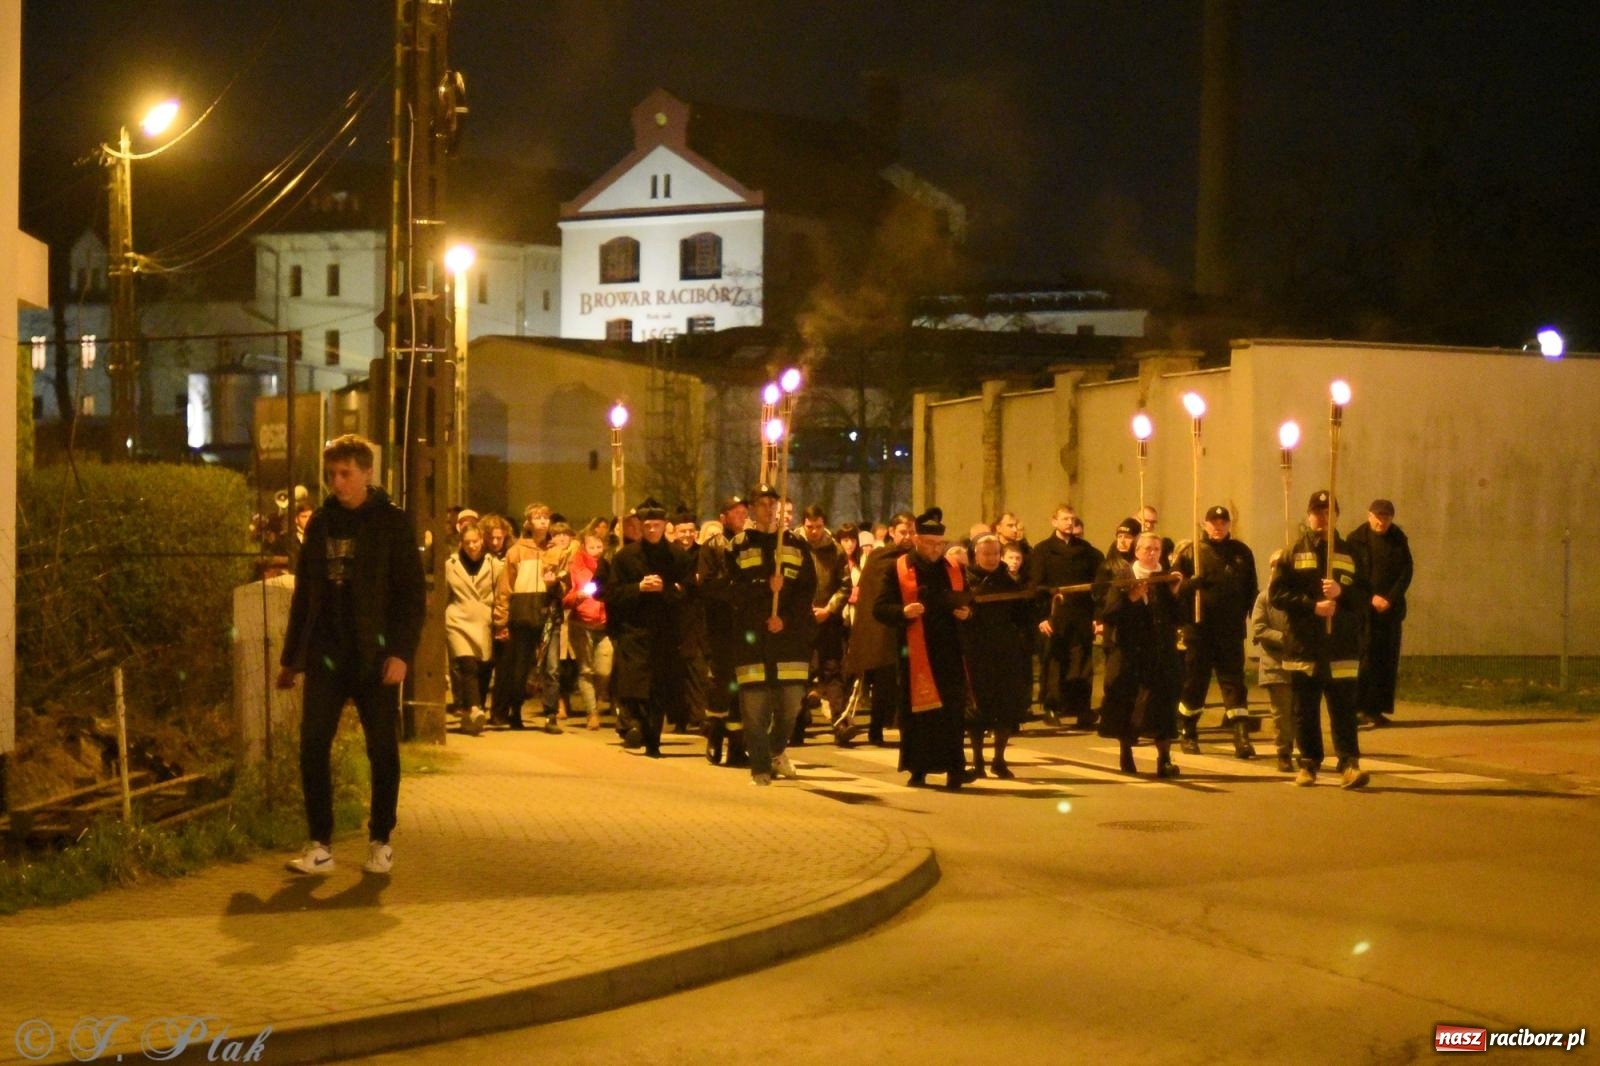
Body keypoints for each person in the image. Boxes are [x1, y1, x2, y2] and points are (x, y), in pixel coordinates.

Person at [277, 434, 424, 876]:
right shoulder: (320, 524)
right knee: (313, 745)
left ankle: (381, 838)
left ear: (367, 473)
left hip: (373, 658)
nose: (337, 483)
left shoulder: (391, 524)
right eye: (331, 475)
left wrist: (400, 652)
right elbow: (306, 595)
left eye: (345, 474)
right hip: (327, 656)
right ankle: (320, 843)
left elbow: (411, 596)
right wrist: (292, 658)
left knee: (382, 749)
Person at [1269, 490, 1371, 789]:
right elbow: (1277, 595)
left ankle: (1349, 763)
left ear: (1336, 516)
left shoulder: (1351, 553)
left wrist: (1343, 593)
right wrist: (1311, 606)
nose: (1323, 518)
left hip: (1341, 645)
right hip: (1305, 645)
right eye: (1317, 512)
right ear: (1308, 515)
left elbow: (1364, 596)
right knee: (1305, 710)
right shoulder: (1293, 552)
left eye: (1329, 513)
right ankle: (1309, 764)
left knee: (1343, 710)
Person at [875, 507, 972, 789]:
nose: (935, 550)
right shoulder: (900, 567)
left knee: (952, 713)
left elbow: (968, 600)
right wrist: (903, 611)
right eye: (930, 544)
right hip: (914, 651)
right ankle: (918, 769)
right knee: (919, 715)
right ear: (917, 541)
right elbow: (880, 608)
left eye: (940, 545)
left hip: (949, 652)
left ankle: (955, 768)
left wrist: (967, 613)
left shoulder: (953, 568)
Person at [729, 485, 817, 785]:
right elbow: (730, 590)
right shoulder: (738, 546)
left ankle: (777, 749)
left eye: (772, 503)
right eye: (762, 504)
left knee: (791, 705)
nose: (768, 509)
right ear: (752, 508)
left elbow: (806, 590)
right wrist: (763, 588)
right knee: (754, 710)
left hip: (788, 641)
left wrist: (786, 619)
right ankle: (760, 769)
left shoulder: (795, 544)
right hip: (752, 640)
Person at [601, 498, 689, 758]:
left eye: (657, 525)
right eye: (647, 525)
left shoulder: (677, 557)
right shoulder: (625, 557)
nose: (652, 530)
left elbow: (687, 593)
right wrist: (638, 588)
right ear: (640, 526)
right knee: (634, 685)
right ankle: (634, 725)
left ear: (665, 526)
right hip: (634, 631)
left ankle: (654, 740)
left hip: (664, 632)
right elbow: (612, 592)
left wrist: (666, 591)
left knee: (659, 689)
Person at [1173, 505, 1260, 759]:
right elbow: (1173, 590)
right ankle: (1188, 730)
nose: (1218, 526)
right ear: (1204, 524)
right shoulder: (1192, 554)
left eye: (1223, 522)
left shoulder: (1241, 553)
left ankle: (1241, 737)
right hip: (1199, 629)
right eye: (1213, 522)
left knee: (1234, 683)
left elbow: (1251, 589)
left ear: (1229, 525)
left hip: (1231, 630)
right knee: (1195, 682)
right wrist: (1191, 585)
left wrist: (1255, 619)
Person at [1094, 532, 1184, 778]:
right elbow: (1109, 614)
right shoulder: (1124, 577)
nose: (1152, 553)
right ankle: (1126, 752)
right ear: (1136, 551)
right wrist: (1131, 600)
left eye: (1157, 549)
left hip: (1160, 653)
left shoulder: (1164, 577)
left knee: (1163, 706)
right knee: (1129, 705)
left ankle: (1164, 759)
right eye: (1147, 549)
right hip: (1130, 653)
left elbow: (1178, 618)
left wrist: (1175, 593)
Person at [1027, 503, 1105, 730]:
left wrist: (1097, 616)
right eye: (1064, 519)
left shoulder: (1087, 551)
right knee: (1054, 662)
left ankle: (1081, 709)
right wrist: (1041, 617)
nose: (1069, 523)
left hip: (1081, 615)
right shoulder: (1042, 550)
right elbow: (1036, 587)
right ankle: (1052, 707)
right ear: (1054, 522)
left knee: (1082, 663)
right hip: (1055, 615)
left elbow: (1098, 586)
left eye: (1072, 519)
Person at [963, 534, 1032, 779]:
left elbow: (1022, 617)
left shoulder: (1009, 581)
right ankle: (978, 760)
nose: (991, 558)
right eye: (986, 554)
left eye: (995, 554)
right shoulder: (966, 580)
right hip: (975, 651)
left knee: (1005, 707)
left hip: (1005, 652)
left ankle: (999, 759)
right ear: (975, 555)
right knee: (977, 709)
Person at [843, 511, 915, 745]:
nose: (908, 536)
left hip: (911, 624)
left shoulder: (916, 557)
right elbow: (870, 595)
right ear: (892, 532)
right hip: (885, 627)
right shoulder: (878, 557)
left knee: (907, 682)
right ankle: (876, 727)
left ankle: (907, 728)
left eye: (912, 532)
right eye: (903, 532)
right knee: (884, 681)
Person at [492, 505, 559, 732]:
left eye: (545, 517)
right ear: (528, 523)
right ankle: (515, 710)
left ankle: (551, 714)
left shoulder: (555, 550)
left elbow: (566, 582)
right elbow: (505, 588)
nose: (542, 521)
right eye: (537, 517)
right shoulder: (517, 551)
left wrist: (555, 583)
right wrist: (501, 619)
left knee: (549, 667)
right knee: (519, 667)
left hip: (547, 611)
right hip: (522, 612)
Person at [1347, 498, 1413, 727]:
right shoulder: (1356, 540)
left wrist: (1390, 598)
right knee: (1364, 658)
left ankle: (1376, 709)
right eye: (1378, 517)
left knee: (1386, 660)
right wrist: (1370, 597)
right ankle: (1357, 708)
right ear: (1369, 515)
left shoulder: (1398, 539)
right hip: (1364, 610)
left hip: (1390, 610)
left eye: (1386, 517)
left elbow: (1406, 571)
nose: (1382, 522)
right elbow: (1352, 575)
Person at [698, 494, 751, 765]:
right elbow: (707, 585)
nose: (741, 516)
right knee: (722, 683)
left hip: (745, 626)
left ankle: (738, 744)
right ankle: (716, 735)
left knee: (743, 684)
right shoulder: (711, 548)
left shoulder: (750, 545)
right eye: (735, 512)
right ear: (723, 517)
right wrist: (733, 588)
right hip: (720, 626)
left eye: (744, 511)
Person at [800, 504, 850, 740]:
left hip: (828, 618)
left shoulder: (835, 550)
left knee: (832, 670)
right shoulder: (793, 546)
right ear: (803, 525)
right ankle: (796, 725)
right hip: (800, 618)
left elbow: (845, 584)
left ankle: (839, 721)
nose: (814, 532)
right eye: (810, 527)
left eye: (818, 527)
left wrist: (830, 608)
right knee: (800, 672)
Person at [446, 522, 501, 736]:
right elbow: (445, 593)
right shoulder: (450, 564)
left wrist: (500, 618)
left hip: (483, 619)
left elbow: (500, 592)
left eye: (475, 541)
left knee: (482, 666)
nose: (471, 546)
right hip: (457, 618)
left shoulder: (493, 564)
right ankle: (476, 709)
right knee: (466, 664)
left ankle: (471, 712)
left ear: (482, 541)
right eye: (467, 542)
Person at [1251, 558, 1298, 773]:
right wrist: (1285, 638)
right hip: (1275, 663)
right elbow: (1259, 628)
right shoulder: (1264, 598)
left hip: (1299, 662)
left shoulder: (1296, 596)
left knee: (1299, 711)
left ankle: (1300, 749)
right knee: (1281, 712)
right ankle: (1283, 752)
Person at [564, 523, 612, 731]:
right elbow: (564, 598)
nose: (596, 551)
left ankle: (597, 698)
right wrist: (578, 596)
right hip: (581, 622)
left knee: (604, 670)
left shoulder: (609, 566)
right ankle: (591, 713)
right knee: (585, 669)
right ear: (584, 546)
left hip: (604, 624)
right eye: (591, 547)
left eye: (599, 546)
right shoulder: (575, 568)